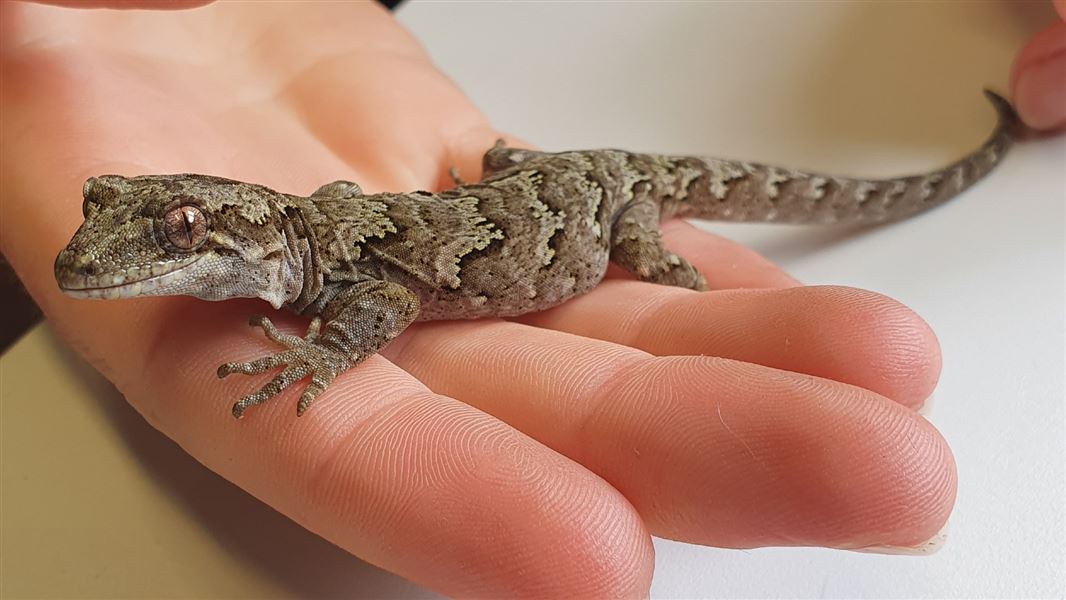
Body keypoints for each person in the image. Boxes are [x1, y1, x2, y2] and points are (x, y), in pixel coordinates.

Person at [2, 2, 1062, 597]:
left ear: (244, 231)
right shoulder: (317, 235)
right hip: (545, 179)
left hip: (606, 199)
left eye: (177, 232)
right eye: (138, 216)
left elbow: (376, 305)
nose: (132, 246)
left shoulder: (345, 275)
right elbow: (337, 214)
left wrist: (321, 357)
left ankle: (933, 175)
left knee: (660, 267)